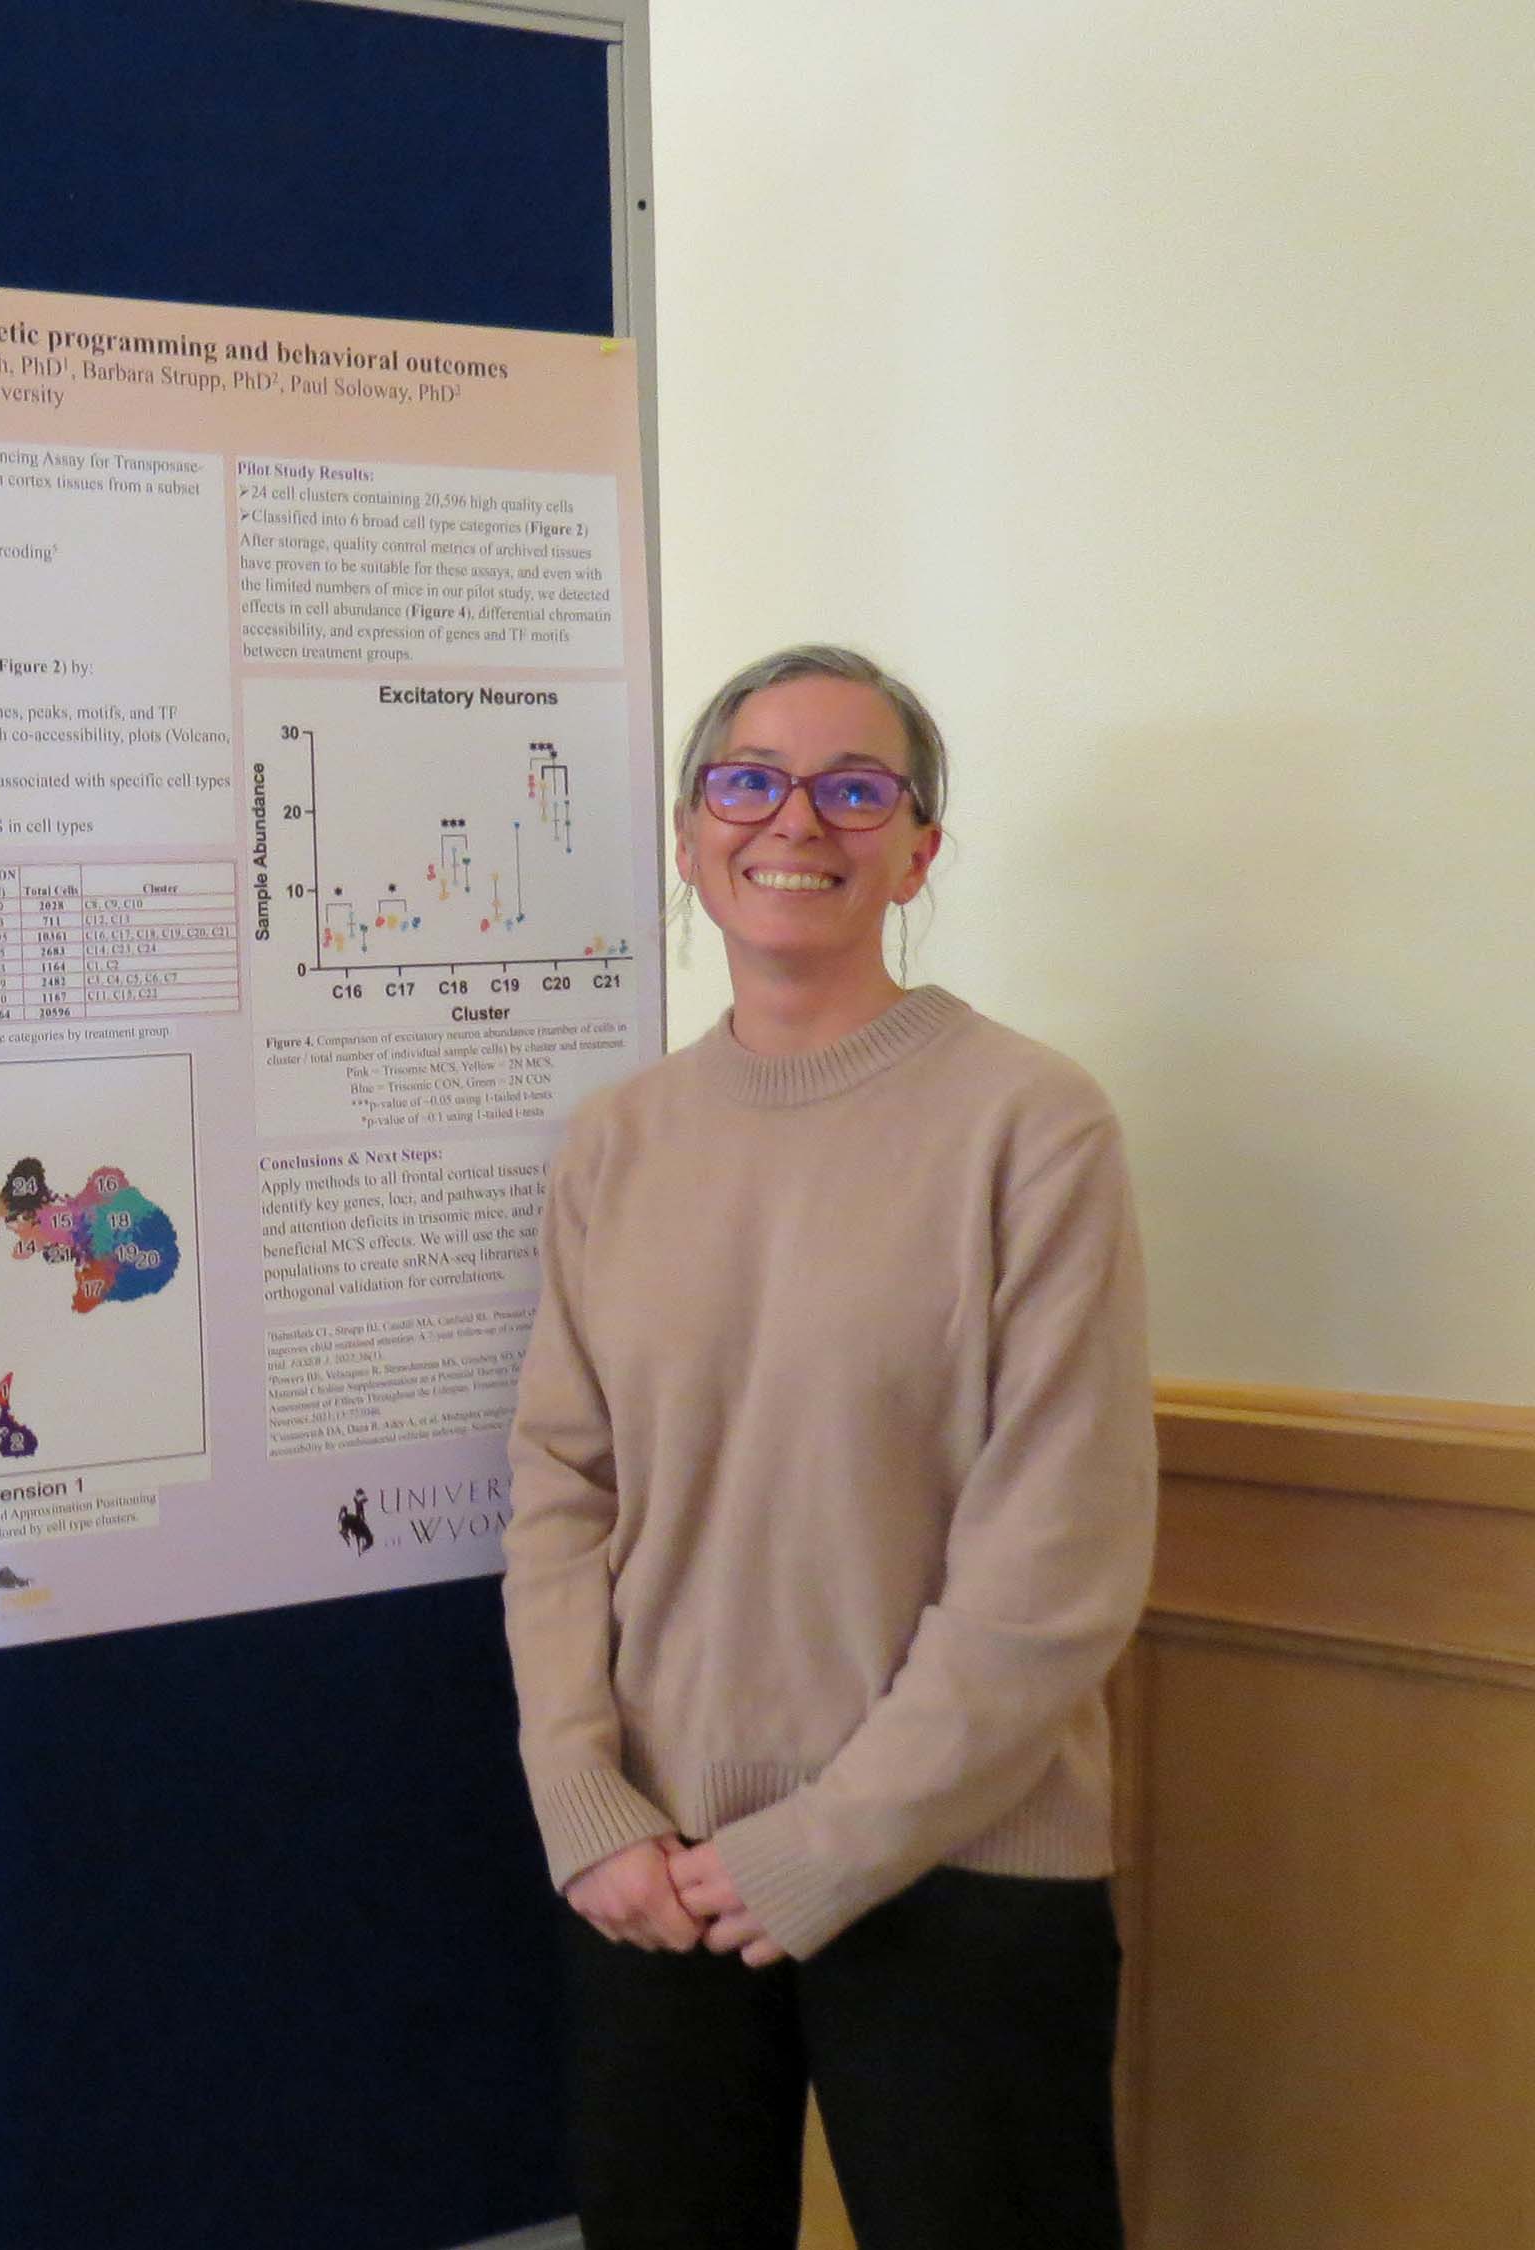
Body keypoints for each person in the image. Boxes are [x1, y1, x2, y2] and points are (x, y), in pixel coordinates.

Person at [501, 645, 1155, 2250]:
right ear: (688, 832)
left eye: (856, 788)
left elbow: (1055, 1558)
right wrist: (584, 1795)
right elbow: (559, 1493)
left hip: (960, 1865)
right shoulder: (619, 1141)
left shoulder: (1030, 1122)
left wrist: (828, 1842)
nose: (797, 819)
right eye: (749, 779)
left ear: (919, 849)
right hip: (657, 1874)